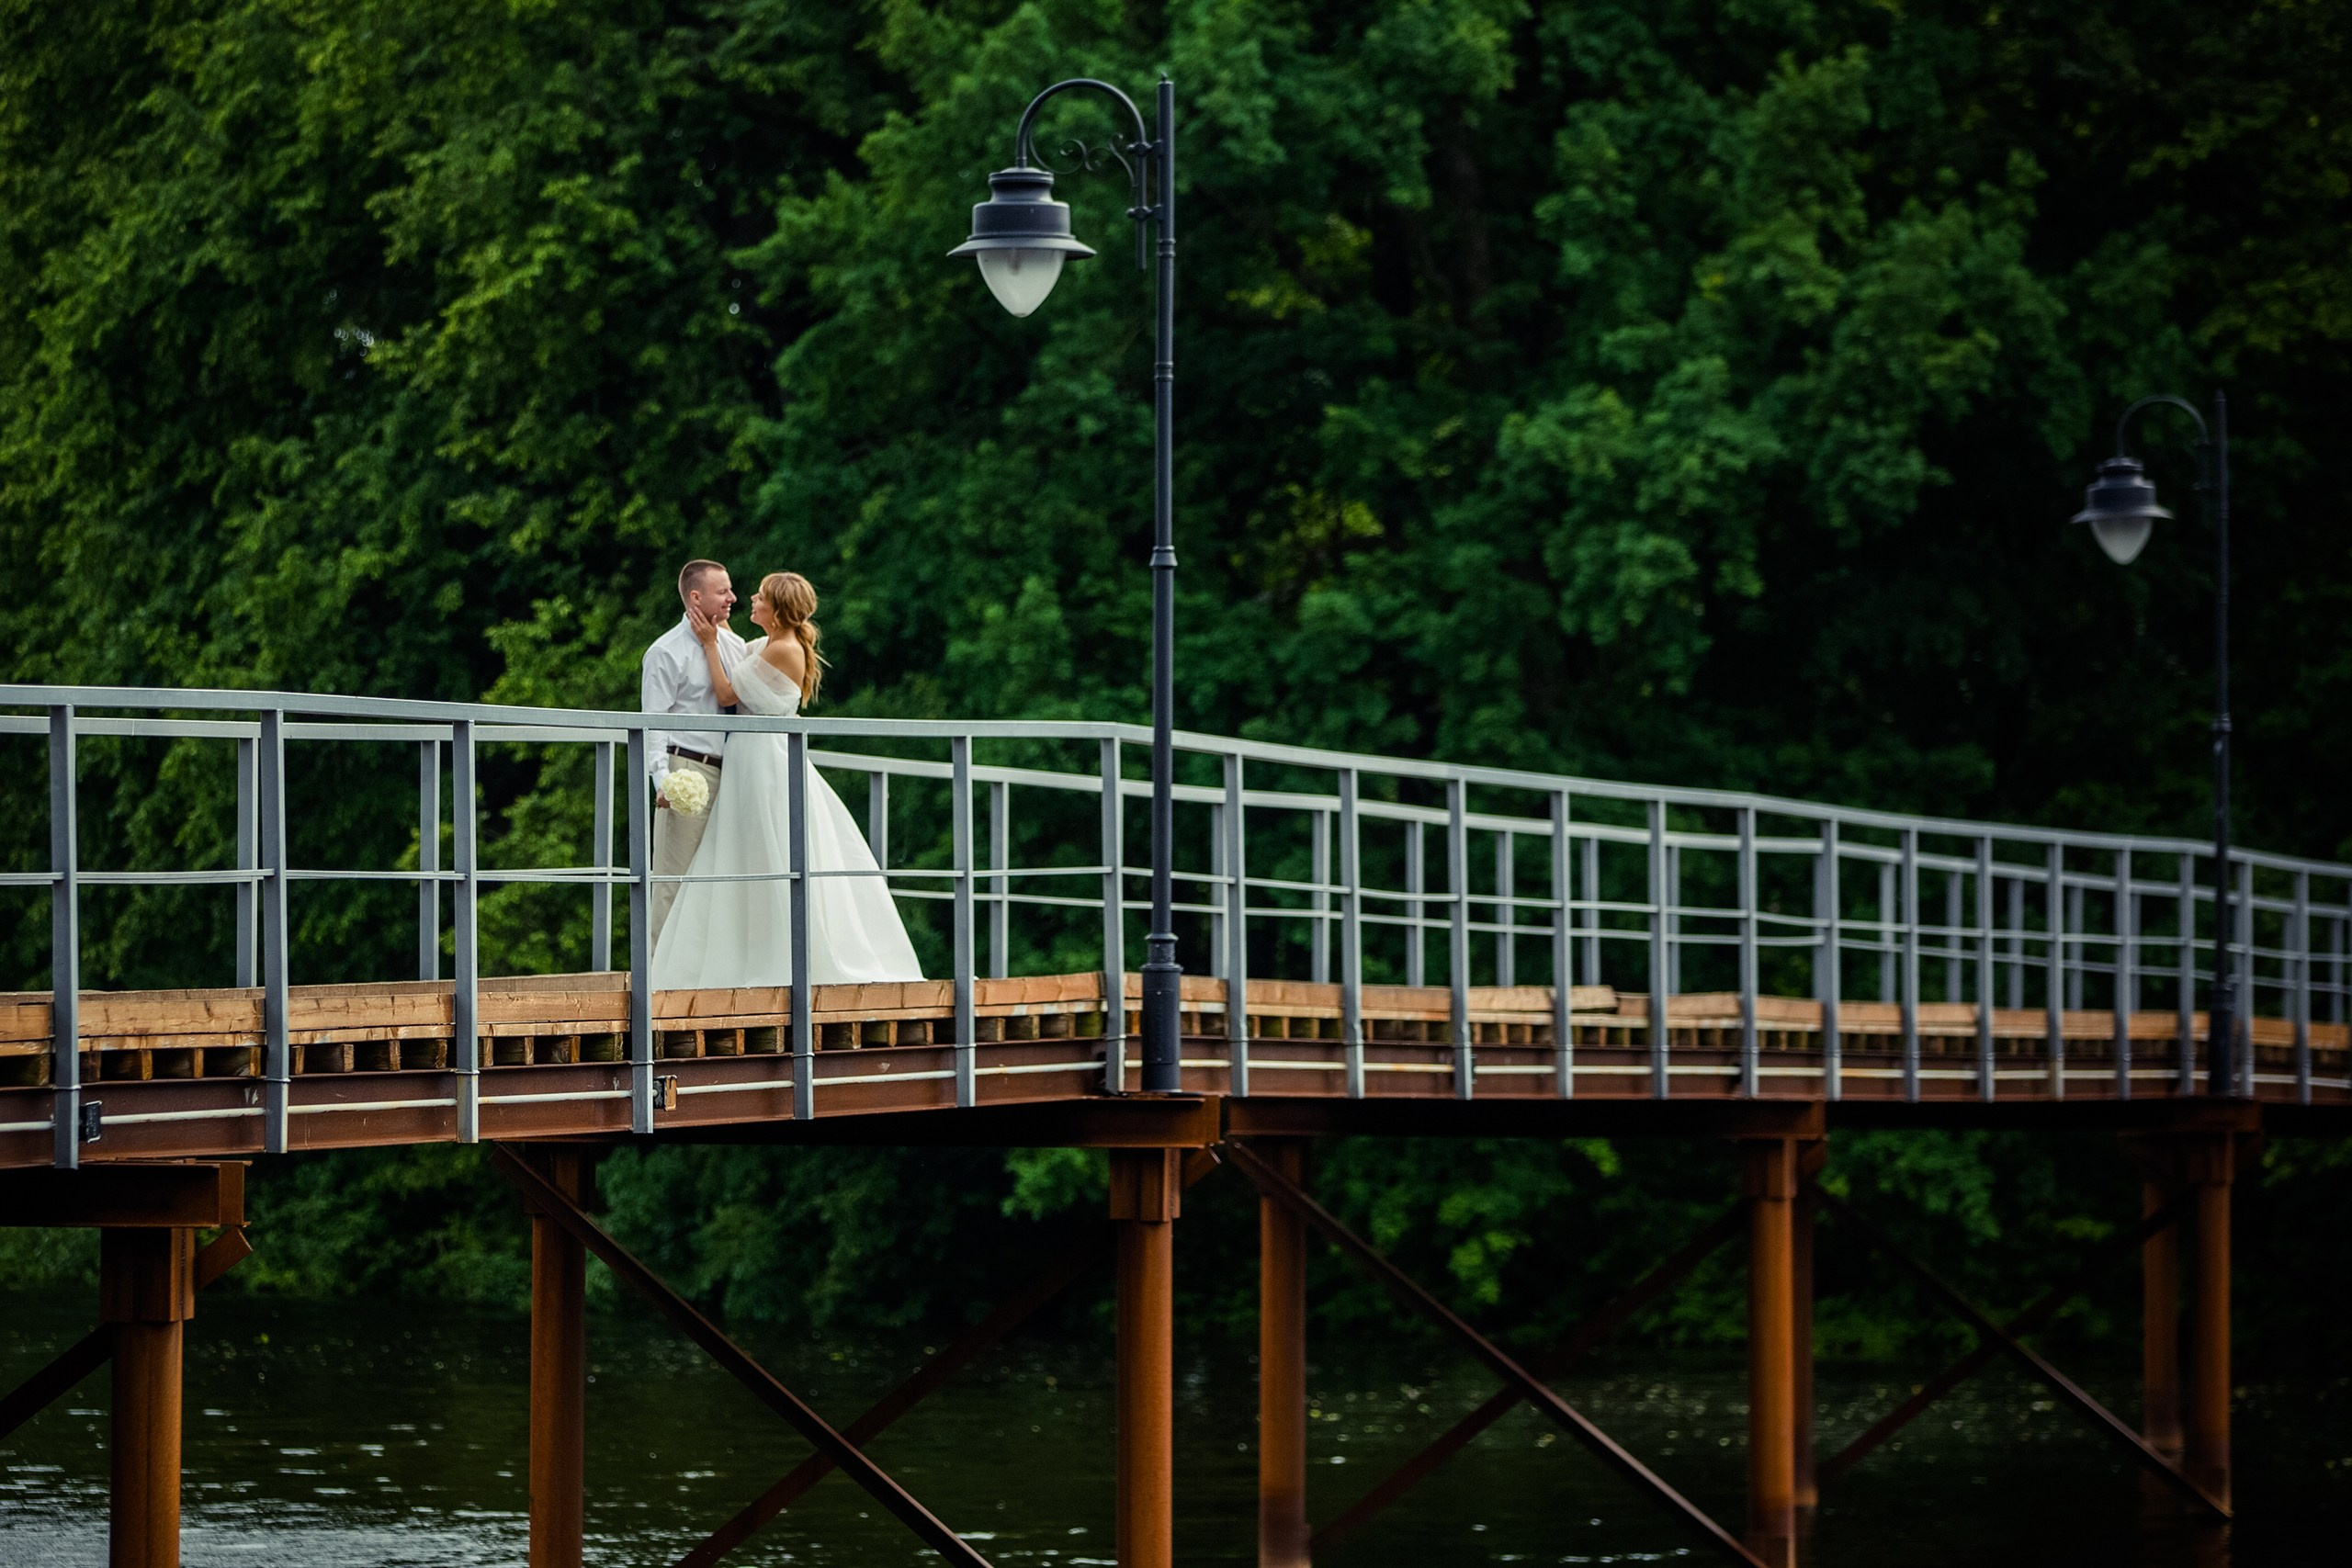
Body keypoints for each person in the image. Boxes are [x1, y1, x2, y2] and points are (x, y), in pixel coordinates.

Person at [650, 571, 923, 989]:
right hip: (747, 761)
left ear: (776, 610)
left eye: (759, 597)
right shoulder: (766, 645)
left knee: (766, 852)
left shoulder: (783, 650)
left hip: (762, 763)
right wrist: (717, 634)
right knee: (742, 854)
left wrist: (708, 643)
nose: (748, 600)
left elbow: (726, 694)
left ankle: (773, 956)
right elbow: (741, 657)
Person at [641, 559, 748, 951]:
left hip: (735, 772)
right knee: (673, 879)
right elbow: (652, 725)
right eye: (723, 591)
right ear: (696, 597)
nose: (732, 597)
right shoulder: (665, 652)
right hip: (686, 767)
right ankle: (658, 979)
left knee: (720, 879)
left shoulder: (734, 646)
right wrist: (662, 781)